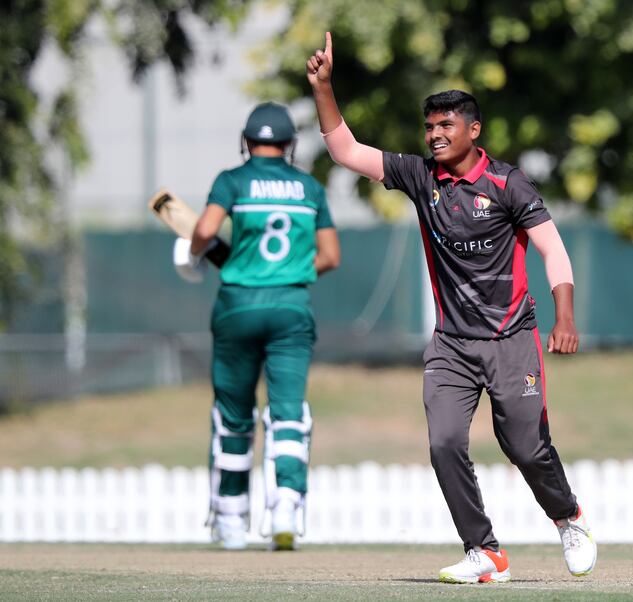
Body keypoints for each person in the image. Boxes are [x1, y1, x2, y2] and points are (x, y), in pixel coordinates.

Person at [306, 33, 596, 583]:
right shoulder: (420, 178)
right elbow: (346, 150)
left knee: (526, 448)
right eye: (430, 127)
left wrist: (565, 316)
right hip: (452, 345)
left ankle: (569, 517)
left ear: (473, 130)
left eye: (446, 126)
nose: (435, 135)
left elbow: (552, 248)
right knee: (443, 443)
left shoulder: (508, 183)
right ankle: (484, 552)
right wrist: (324, 87)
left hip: (513, 339)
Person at [174, 101, 340, 551]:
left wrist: (191, 252)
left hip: (237, 307)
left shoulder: (232, 180)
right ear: (289, 145)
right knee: (288, 411)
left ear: (246, 141)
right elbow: (329, 257)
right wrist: (291, 273)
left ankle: (230, 517)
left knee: (234, 414)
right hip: (290, 308)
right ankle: (285, 503)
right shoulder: (308, 188)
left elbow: (206, 230)